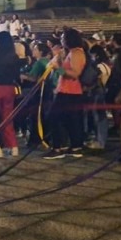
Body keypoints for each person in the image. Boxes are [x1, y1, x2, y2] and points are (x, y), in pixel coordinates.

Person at [43, 28, 87, 160]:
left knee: (54, 117)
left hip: (71, 92)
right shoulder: (70, 53)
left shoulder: (77, 53)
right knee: (69, 120)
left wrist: (59, 69)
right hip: (65, 90)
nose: (61, 40)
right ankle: (74, 146)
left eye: (63, 37)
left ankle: (58, 148)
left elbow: (75, 74)